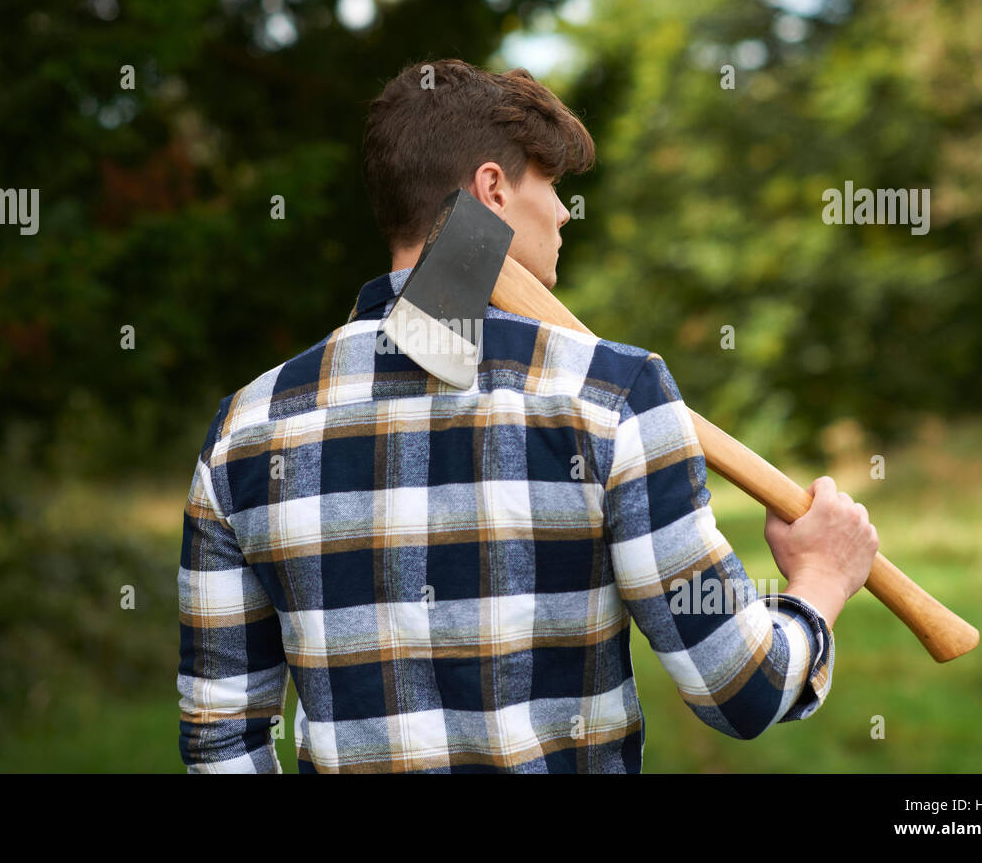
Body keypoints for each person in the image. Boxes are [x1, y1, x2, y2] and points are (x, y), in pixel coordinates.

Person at [177, 58, 879, 773]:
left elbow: (221, 737)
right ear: (491, 189)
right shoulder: (616, 395)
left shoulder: (245, 431)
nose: (566, 210)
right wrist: (821, 579)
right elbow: (741, 688)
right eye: (550, 182)